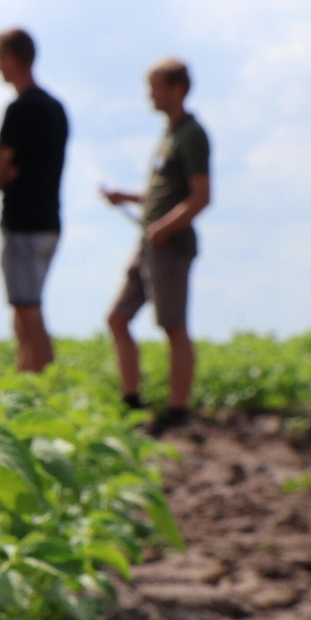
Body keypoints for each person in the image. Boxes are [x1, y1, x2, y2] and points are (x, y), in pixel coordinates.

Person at [101, 57, 211, 434]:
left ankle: (178, 410)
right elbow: (162, 192)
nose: (150, 95)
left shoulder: (192, 134)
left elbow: (200, 197)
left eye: (155, 87)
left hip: (171, 247)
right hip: (148, 245)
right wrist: (128, 198)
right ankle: (131, 400)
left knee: (173, 327)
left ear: (176, 88)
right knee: (117, 318)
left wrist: (165, 227)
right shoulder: (169, 134)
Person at [0, 28, 69, 374]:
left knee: (28, 308)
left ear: (11, 58)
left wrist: (10, 174)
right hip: (49, 221)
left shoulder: (20, 108)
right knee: (25, 308)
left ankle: (45, 388)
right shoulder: (55, 108)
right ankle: (26, 381)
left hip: (22, 223)